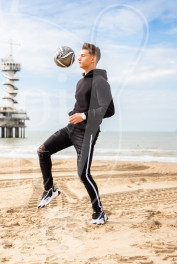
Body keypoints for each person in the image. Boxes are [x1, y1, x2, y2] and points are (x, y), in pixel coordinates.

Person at [37, 42, 115, 225]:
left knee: (83, 174)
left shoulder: (101, 82)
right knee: (42, 150)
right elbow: (81, 106)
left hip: (87, 133)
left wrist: (84, 116)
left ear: (93, 58)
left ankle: (99, 213)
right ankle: (49, 189)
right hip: (71, 129)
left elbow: (109, 110)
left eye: (83, 56)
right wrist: (74, 114)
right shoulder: (81, 82)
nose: (78, 58)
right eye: (79, 56)